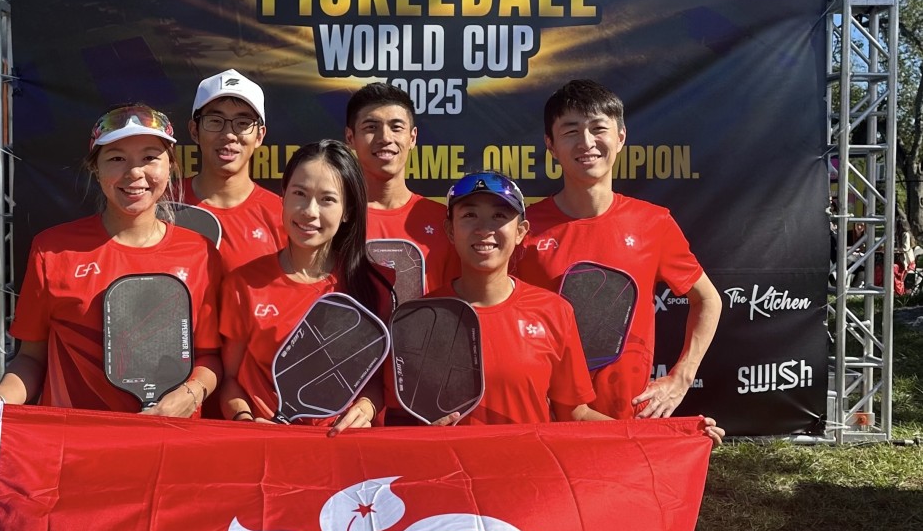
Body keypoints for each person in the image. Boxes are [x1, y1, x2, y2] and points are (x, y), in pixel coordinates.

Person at [0, 104, 222, 429]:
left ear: (171, 166)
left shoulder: (201, 253)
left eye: (150, 157)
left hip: (172, 442)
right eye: (117, 158)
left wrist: (190, 395)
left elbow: (210, 356)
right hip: (75, 445)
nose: (135, 173)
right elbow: (31, 358)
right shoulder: (52, 249)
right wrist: (0, 399)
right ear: (95, 168)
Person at [427, 172, 723, 442]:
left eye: (499, 216)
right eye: (469, 215)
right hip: (453, 481)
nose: (484, 229)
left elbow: (576, 414)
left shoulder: (553, 311)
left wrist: (674, 437)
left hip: (532, 479)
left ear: (521, 233)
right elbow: (398, 417)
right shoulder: (423, 318)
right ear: (451, 231)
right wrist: (421, 433)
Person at [516, 79, 723, 421]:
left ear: (621, 137)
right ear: (550, 145)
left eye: (599, 128)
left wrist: (681, 378)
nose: (586, 143)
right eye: (570, 131)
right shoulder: (523, 229)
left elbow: (708, 300)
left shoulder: (653, 223)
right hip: (543, 418)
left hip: (627, 419)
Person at [219, 139, 395, 434]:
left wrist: (366, 407)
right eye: (299, 194)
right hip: (264, 448)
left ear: (348, 211)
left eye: (327, 199)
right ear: (283, 196)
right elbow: (229, 380)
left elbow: (376, 382)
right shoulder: (244, 283)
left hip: (344, 453)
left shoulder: (374, 285)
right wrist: (246, 423)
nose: (310, 211)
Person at [344, 82, 455, 293]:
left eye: (396, 127)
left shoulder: (444, 221)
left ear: (412, 138)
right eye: (371, 127)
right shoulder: (333, 217)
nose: (385, 138)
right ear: (350, 138)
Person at [183, 69, 286, 271]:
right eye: (215, 121)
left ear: (259, 136)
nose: (229, 134)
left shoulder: (283, 216)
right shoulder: (163, 206)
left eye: (242, 123)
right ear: (195, 131)